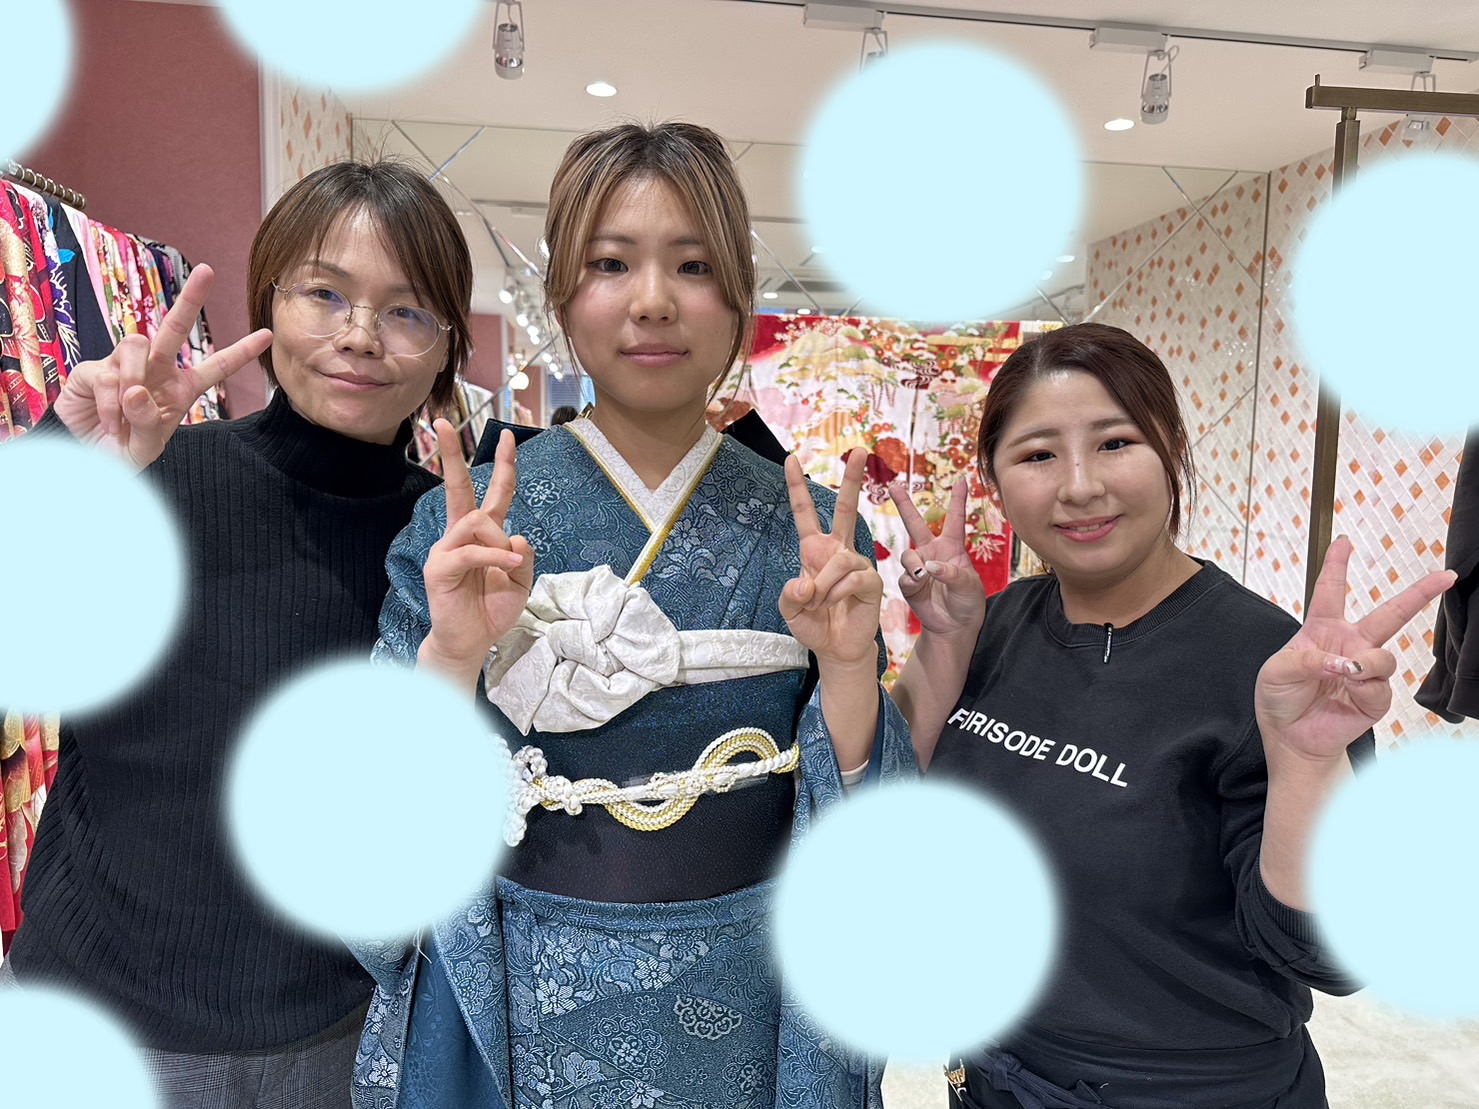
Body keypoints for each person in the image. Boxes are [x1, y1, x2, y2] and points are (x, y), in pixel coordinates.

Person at [349, 121, 915, 1109]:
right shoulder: (467, 523)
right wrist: (453, 653)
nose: (653, 300)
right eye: (611, 264)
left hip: (749, 983)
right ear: (562, 297)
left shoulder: (817, 531)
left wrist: (848, 670)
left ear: (738, 297)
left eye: (693, 266)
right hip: (528, 979)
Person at [886, 322, 1453, 1109]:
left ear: (1171, 449)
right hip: (997, 1075)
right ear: (994, 480)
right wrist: (942, 641)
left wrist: (1306, 762)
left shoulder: (1272, 668)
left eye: (1114, 443)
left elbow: (1325, 955)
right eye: (1037, 454)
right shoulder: (1002, 619)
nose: (1079, 486)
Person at [5, 160, 474, 1109]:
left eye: (405, 310)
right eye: (324, 293)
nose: (358, 335)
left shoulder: (451, 553)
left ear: (445, 352)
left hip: (337, 1031)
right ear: (268, 305)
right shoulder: (149, 471)